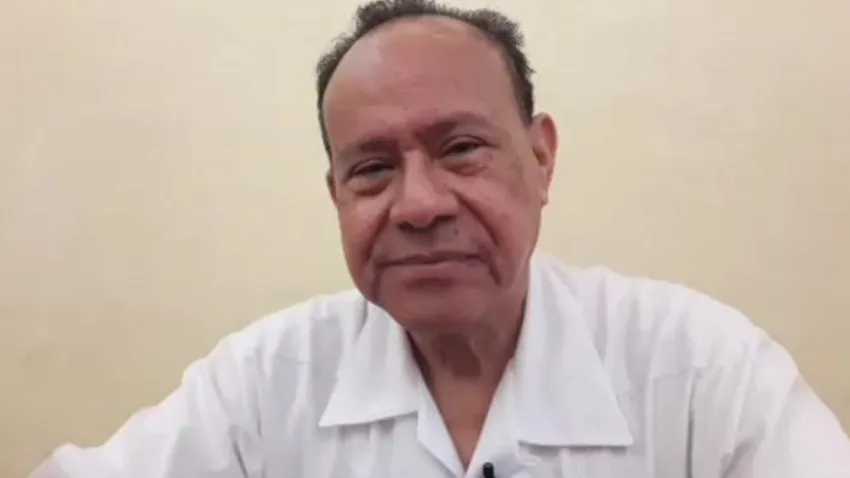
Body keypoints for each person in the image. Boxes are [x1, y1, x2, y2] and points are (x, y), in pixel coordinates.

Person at [32, 0, 850, 477]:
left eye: (461, 149)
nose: (419, 206)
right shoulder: (265, 382)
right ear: (336, 195)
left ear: (541, 158)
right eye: (372, 170)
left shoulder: (700, 371)